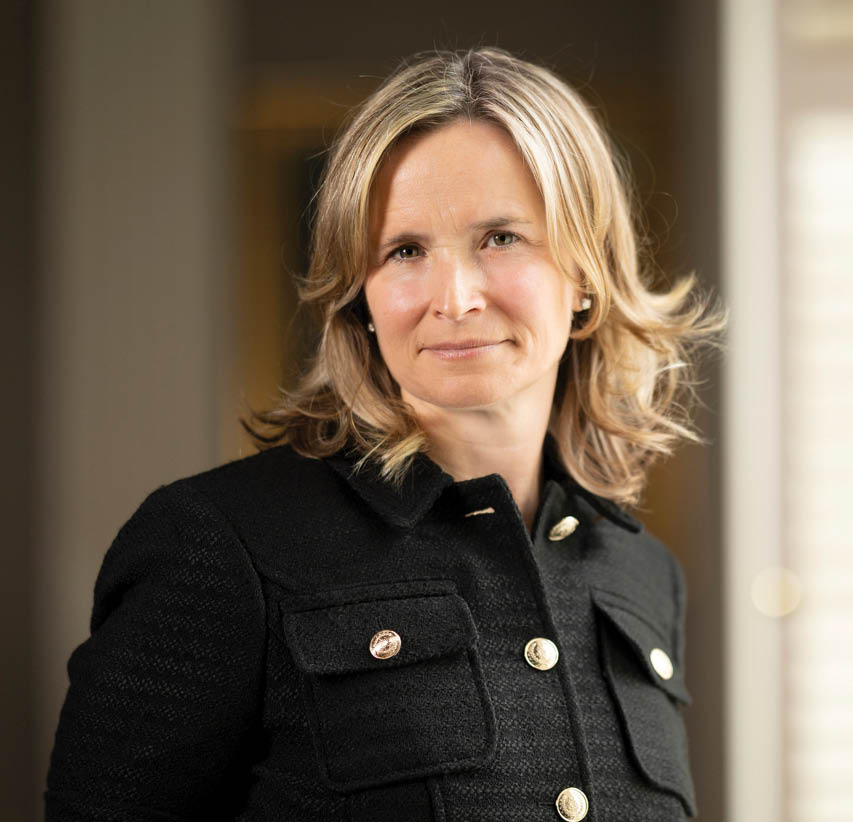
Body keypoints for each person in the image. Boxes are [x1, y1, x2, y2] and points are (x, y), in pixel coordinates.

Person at [45, 47, 725, 821]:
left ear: (585, 275)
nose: (455, 298)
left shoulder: (641, 571)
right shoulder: (218, 543)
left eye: (500, 237)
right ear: (359, 297)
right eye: (405, 250)